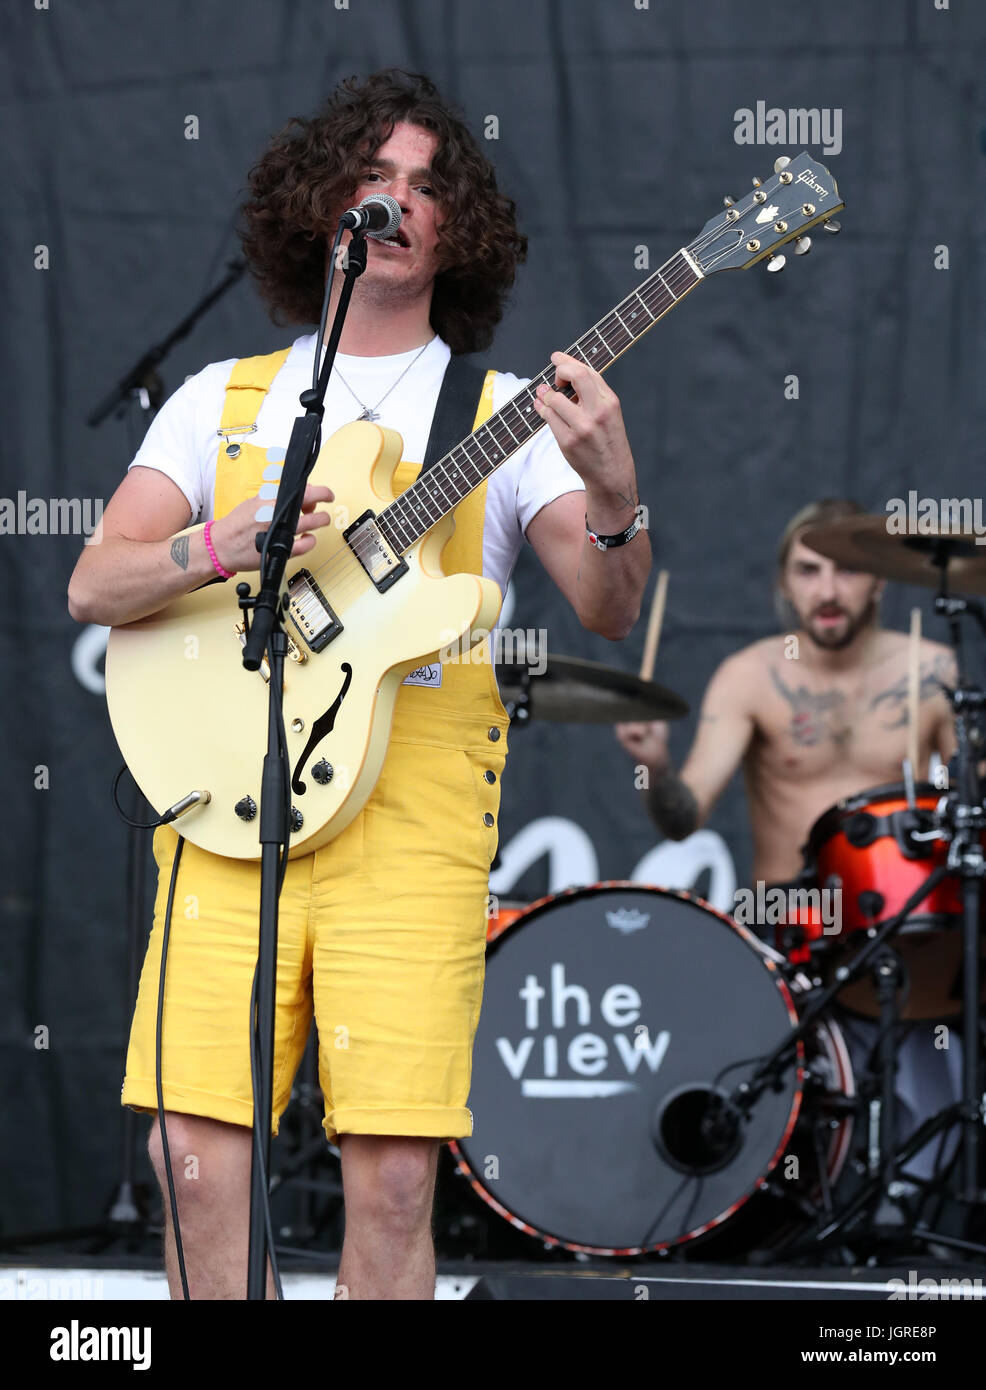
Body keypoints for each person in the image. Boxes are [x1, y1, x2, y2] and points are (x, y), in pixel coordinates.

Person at [68, 69, 650, 1299]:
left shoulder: (496, 413)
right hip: (226, 812)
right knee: (191, 1157)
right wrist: (217, 546)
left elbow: (608, 602)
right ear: (323, 204)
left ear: (457, 229)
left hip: (411, 825)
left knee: (389, 1177)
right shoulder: (215, 402)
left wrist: (611, 492)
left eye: (426, 185)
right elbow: (93, 584)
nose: (396, 201)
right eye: (373, 177)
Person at [616, 496, 962, 1197]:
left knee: (936, 1120)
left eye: (845, 571)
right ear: (783, 583)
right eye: (808, 571)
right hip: (789, 928)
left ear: (881, 579)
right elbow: (683, 817)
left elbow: (970, 811)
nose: (826, 591)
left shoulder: (932, 669)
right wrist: (651, 763)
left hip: (908, 931)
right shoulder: (750, 675)